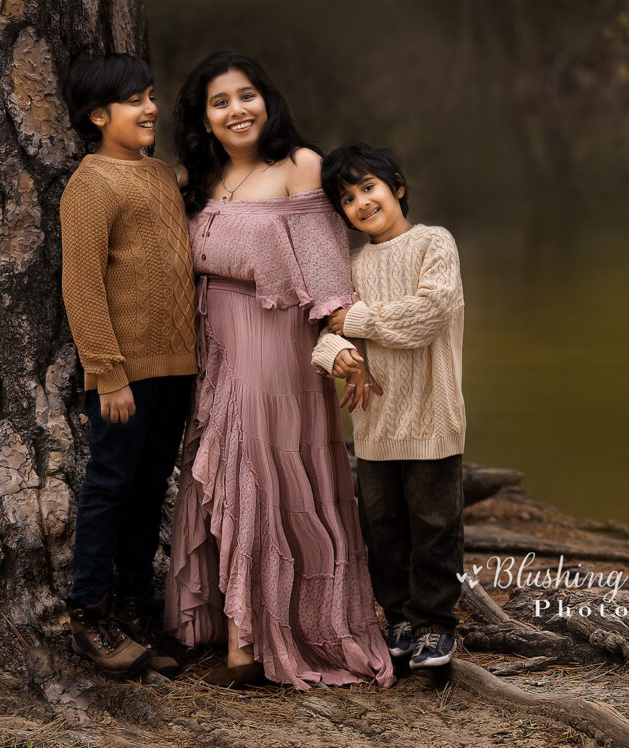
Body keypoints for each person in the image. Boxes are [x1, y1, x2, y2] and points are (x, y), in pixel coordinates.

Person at [164, 53, 395, 690]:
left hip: (277, 341)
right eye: (220, 101)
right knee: (224, 467)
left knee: (260, 469)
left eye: (247, 96)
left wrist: (342, 338)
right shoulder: (199, 178)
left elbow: (326, 267)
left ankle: (257, 641)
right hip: (213, 341)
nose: (237, 110)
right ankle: (235, 622)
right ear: (203, 117)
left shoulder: (301, 166)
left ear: (268, 101)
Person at [60, 53, 196, 678]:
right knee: (110, 485)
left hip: (176, 367)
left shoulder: (162, 174)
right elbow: (82, 286)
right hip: (125, 372)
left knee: (148, 489)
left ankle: (136, 606)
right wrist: (107, 371)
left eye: (149, 95)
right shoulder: (91, 183)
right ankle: (90, 611)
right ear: (97, 115)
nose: (149, 109)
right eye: (132, 101)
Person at [313, 144, 466, 669]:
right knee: (381, 528)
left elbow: (430, 313)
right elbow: (322, 335)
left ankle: (436, 625)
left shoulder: (433, 243)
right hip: (375, 425)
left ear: (396, 186)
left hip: (432, 416)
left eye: (369, 187)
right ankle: (398, 619)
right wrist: (343, 355)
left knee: (434, 524)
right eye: (348, 198)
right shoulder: (349, 268)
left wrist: (359, 321)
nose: (361, 202)